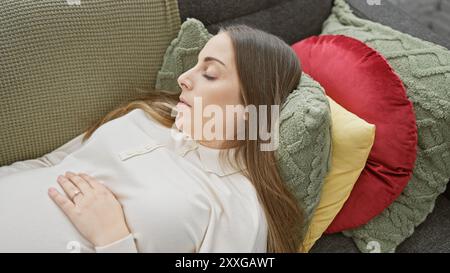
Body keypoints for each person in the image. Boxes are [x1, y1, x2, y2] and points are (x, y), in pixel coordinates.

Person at [0, 25, 304, 253]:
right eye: (196, 64)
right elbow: (52, 163)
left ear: (251, 108)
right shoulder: (149, 115)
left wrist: (112, 239)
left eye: (209, 73)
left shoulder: (239, 210)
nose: (183, 78)